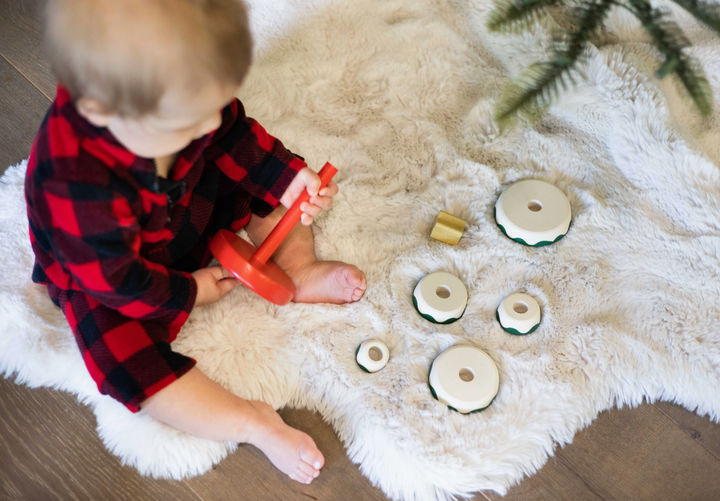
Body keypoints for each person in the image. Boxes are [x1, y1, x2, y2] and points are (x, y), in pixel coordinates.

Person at [25, 0, 367, 485]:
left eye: (213, 103)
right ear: (102, 109)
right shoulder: (77, 191)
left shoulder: (176, 100)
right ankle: (252, 421)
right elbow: (122, 283)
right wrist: (192, 291)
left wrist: (288, 180)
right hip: (117, 275)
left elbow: (230, 134)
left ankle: (299, 264)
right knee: (125, 364)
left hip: (183, 203)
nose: (208, 125)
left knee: (256, 175)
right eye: (190, 119)